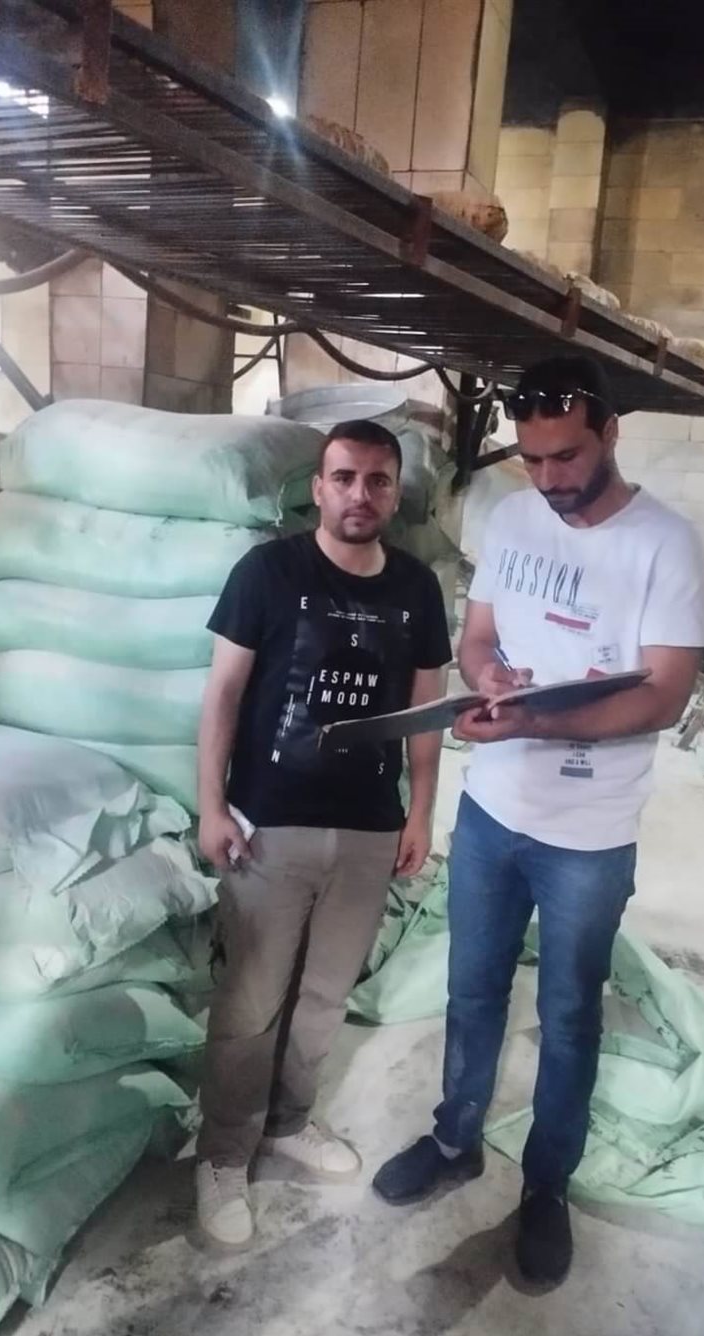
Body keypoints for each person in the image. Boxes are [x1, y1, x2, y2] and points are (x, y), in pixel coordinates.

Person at [372, 355, 704, 1289]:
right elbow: (479, 637)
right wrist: (489, 678)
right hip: (493, 813)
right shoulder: (513, 518)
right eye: (533, 458)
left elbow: (664, 697)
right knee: (472, 991)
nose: (551, 478)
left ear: (611, 433)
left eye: (568, 457)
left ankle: (546, 1186)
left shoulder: (667, 545)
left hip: (589, 836)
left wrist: (534, 722)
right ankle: (454, 1139)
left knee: (568, 1017)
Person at [195, 417, 453, 1248]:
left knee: (324, 996)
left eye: (378, 480)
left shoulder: (416, 588)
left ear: (395, 494)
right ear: (317, 487)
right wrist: (210, 805)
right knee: (251, 1002)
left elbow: (426, 712)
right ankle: (222, 1155)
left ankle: (288, 1123)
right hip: (271, 824)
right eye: (344, 477)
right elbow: (223, 696)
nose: (359, 494)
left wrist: (420, 811)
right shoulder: (268, 572)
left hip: (369, 829)